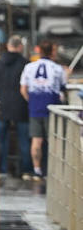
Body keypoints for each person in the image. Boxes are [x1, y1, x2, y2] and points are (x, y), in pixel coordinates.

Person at [21, 41, 68, 180]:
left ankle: (37, 169)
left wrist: (31, 101)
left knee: (36, 140)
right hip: (52, 106)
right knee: (53, 139)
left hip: (35, 106)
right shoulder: (58, 69)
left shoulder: (29, 67)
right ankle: (53, 170)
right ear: (52, 52)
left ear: (39, 50)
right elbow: (63, 88)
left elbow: (23, 89)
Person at [0, 36, 30, 177]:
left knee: (1, 140)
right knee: (24, 140)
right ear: (20, 46)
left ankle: (2, 169)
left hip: (2, 104)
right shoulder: (25, 64)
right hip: (21, 105)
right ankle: (26, 170)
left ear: (7, 46)